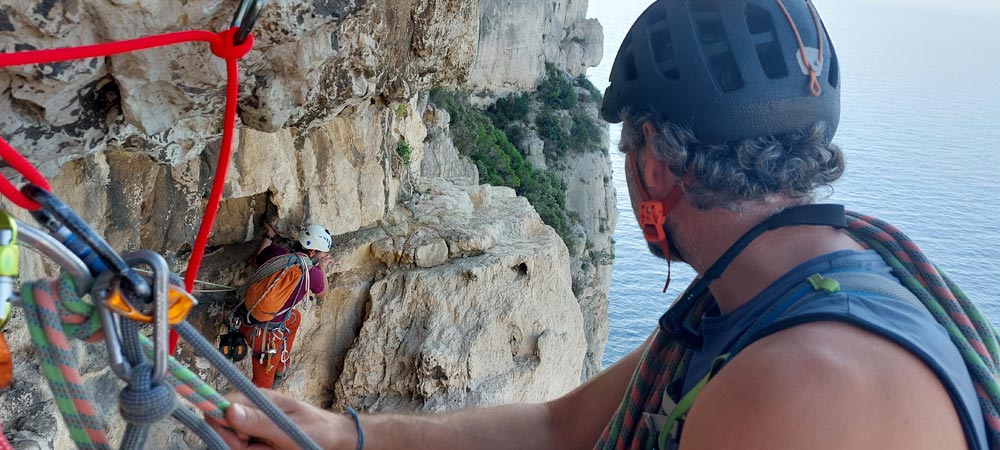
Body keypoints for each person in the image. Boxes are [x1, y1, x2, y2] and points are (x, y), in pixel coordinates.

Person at [208, 1, 996, 449]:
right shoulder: (756, 303)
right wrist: (345, 436)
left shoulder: (805, 390)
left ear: (654, 160)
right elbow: (559, 429)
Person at [236, 222, 335, 389]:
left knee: (294, 318)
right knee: (263, 387)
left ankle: (281, 365)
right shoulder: (312, 274)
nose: (324, 257)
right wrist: (323, 268)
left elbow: (255, 260)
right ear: (312, 252)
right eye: (323, 254)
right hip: (266, 337)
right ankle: (265, 393)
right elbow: (322, 292)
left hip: (246, 317)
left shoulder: (277, 254)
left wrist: (269, 235)